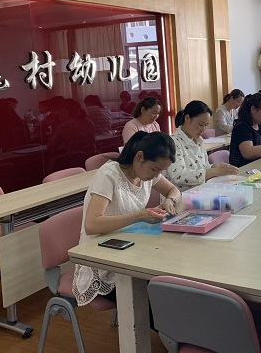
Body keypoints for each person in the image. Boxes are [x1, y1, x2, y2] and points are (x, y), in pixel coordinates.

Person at [72, 131, 182, 307]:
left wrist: (170, 201)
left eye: (160, 171)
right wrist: (139, 216)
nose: (156, 175)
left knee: (169, 282)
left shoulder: (146, 173)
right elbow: (91, 225)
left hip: (131, 248)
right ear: (139, 157)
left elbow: (173, 191)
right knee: (156, 296)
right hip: (103, 257)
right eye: (155, 169)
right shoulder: (109, 174)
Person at [164, 100, 239, 191]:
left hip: (200, 192)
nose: (203, 129)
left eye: (206, 125)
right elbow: (179, 176)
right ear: (187, 118)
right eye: (200, 124)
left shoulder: (199, 140)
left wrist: (214, 167)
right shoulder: (172, 142)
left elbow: (203, 167)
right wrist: (214, 171)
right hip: (179, 196)